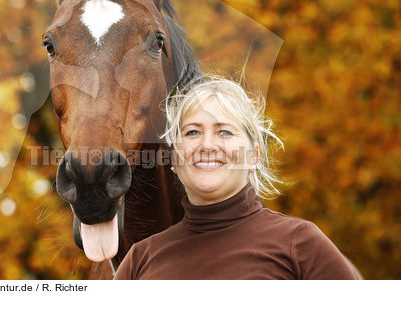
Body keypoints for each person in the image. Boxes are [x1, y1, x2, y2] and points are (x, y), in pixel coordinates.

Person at [114, 74, 360, 280]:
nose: (207, 145)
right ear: (175, 159)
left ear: (254, 155)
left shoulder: (299, 244)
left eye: (224, 132)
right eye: (192, 132)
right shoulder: (140, 260)